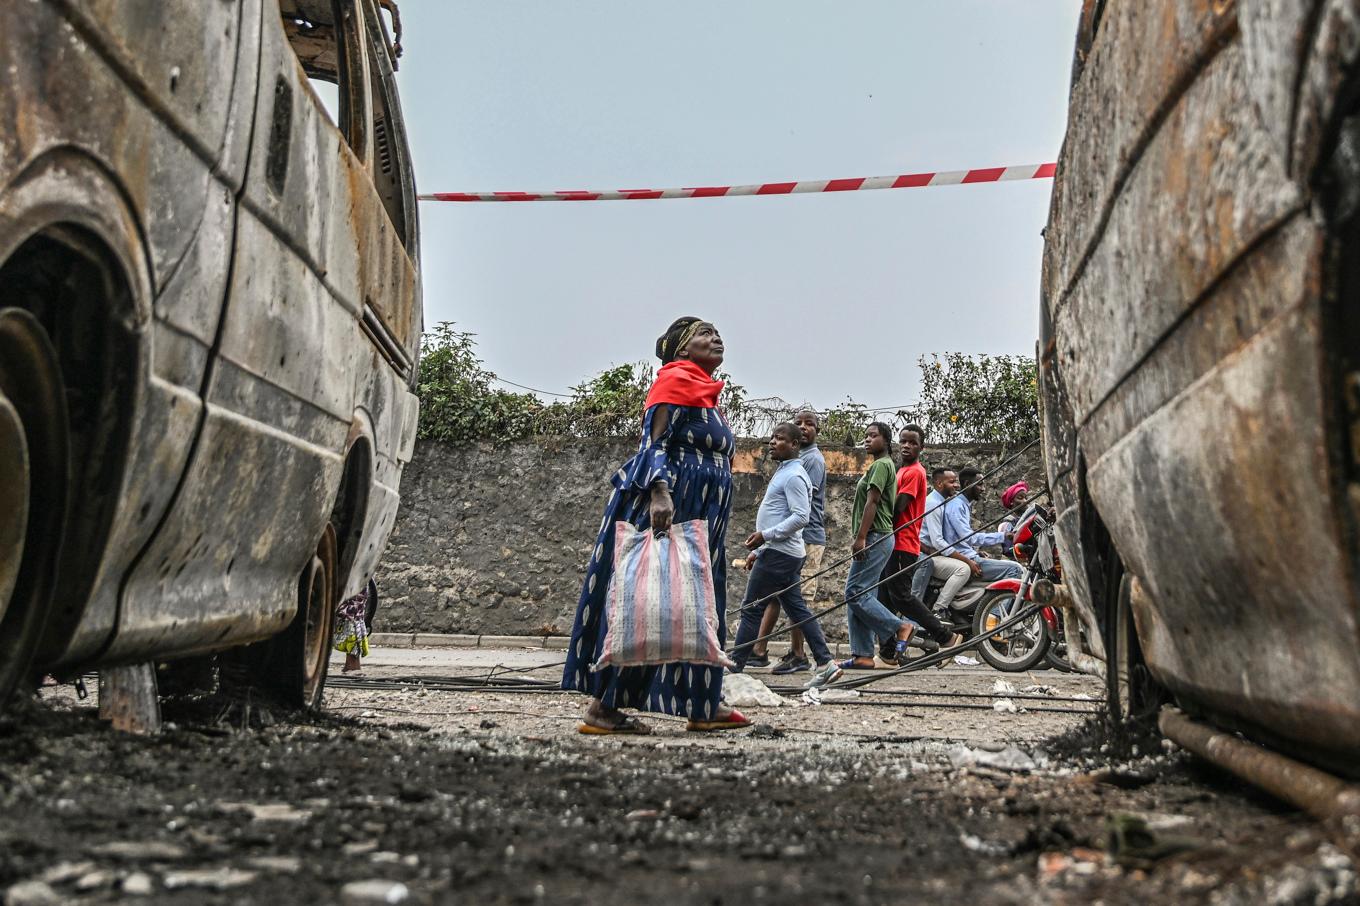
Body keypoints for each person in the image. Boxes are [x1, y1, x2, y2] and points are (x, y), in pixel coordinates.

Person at [562, 317, 749, 734]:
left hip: (705, 513)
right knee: (654, 601)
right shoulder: (674, 382)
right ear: (683, 348)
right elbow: (653, 443)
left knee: (696, 604)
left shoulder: (705, 394)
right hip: (674, 505)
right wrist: (659, 491)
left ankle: (703, 704)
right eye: (705, 333)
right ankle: (604, 708)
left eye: (717, 332)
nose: (716, 338)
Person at [729, 423, 841, 686]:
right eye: (772, 438)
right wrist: (759, 549)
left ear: (794, 445)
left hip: (780, 555)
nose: (772, 443)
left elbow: (801, 517)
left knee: (751, 609)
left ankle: (734, 669)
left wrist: (765, 537)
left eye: (779, 439)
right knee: (797, 609)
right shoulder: (785, 471)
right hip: (779, 552)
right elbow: (779, 515)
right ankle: (826, 662)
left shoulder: (794, 476)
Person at [827, 422, 917, 675]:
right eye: (865, 436)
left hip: (875, 536)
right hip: (878, 536)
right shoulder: (885, 465)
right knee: (860, 595)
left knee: (854, 592)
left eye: (873, 436)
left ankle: (899, 627)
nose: (867, 440)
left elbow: (873, 501)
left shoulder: (880, 465)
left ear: (886, 440)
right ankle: (863, 655)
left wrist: (861, 537)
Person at [750, 408, 826, 675]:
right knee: (781, 597)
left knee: (798, 599)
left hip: (806, 537)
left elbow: (800, 512)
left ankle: (799, 654)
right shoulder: (793, 460)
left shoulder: (810, 461)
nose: (804, 427)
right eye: (799, 423)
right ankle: (760, 650)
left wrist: (767, 537)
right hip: (788, 539)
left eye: (810, 424)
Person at [879, 426, 964, 662]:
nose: (906, 446)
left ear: (921, 447)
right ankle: (887, 653)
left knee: (902, 597)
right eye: (903, 441)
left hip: (902, 544)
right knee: (883, 596)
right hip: (893, 542)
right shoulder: (901, 470)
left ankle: (945, 637)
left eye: (912, 443)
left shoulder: (915, 472)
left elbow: (898, 508)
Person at [941, 465, 1023, 582]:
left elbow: (960, 539)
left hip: (968, 554)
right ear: (967, 484)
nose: (983, 489)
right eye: (980, 484)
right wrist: (1003, 536)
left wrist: (976, 552)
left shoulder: (962, 505)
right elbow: (970, 538)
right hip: (964, 559)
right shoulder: (957, 506)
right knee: (1015, 569)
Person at [912, 467, 975, 611]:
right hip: (927, 554)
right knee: (963, 569)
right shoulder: (933, 503)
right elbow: (938, 541)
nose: (957, 485)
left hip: (935, 552)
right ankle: (939, 609)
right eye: (952, 482)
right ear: (939, 484)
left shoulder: (944, 501)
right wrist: (967, 560)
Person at [333, 577, 378, 675]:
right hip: (356, 583)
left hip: (354, 583)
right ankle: (350, 664)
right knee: (353, 617)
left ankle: (352, 664)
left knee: (352, 618)